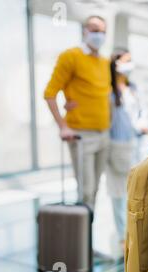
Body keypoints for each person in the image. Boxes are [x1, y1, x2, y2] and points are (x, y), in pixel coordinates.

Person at [44, 16, 111, 211]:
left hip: (104, 134)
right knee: (86, 191)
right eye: (94, 29)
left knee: (96, 190)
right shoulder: (70, 56)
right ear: (84, 30)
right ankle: (82, 240)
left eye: (102, 31)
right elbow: (49, 94)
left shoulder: (104, 62)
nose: (98, 34)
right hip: (82, 135)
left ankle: (86, 236)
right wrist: (63, 126)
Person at [107, 48, 148, 249]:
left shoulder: (133, 88)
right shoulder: (107, 90)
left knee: (136, 189)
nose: (129, 65)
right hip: (117, 145)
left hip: (137, 144)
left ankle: (135, 231)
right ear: (115, 64)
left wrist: (142, 124)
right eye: (126, 61)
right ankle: (122, 235)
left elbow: (140, 112)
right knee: (118, 191)